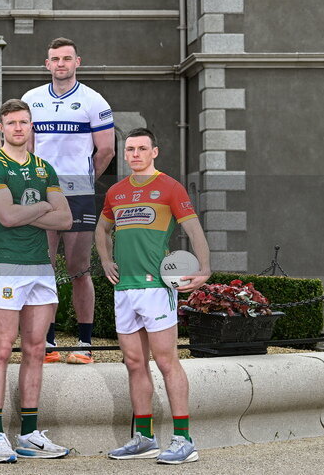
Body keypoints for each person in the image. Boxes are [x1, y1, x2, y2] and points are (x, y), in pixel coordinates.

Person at [96, 127, 211, 465]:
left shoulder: (169, 187)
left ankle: (183, 439)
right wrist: (105, 259)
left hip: (157, 288)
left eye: (142, 148)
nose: (135, 154)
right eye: (130, 149)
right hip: (125, 289)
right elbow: (101, 229)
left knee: (165, 361)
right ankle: (144, 438)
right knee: (134, 363)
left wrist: (204, 270)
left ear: (154, 152)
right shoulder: (115, 192)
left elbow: (193, 229)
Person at [0, 100, 74, 462]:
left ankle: (29, 435)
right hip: (7, 265)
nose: (18, 128)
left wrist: (26, 214)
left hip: (40, 267)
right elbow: (5, 216)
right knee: (2, 349)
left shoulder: (43, 167)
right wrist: (41, 209)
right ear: (2, 127)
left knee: (36, 350)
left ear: (32, 126)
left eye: (24, 122)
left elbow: (65, 220)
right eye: (12, 123)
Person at [22, 37, 115, 364]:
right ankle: (46, 343)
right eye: (55, 59)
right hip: (43, 193)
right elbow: (25, 148)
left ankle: (84, 342)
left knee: (79, 269)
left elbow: (106, 150)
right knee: (42, 267)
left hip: (78, 194)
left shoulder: (94, 100)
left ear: (78, 62)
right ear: (47, 64)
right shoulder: (31, 99)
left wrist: (85, 179)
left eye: (66, 58)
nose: (61, 64)